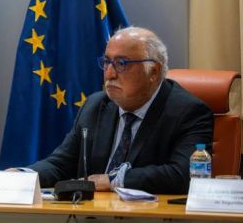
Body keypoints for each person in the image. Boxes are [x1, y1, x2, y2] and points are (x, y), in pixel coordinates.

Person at [24, 27, 213, 194]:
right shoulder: (96, 105)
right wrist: (21, 176)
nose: (109, 74)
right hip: (93, 213)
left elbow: (183, 175)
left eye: (121, 64)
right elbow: (60, 164)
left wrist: (113, 180)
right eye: (107, 62)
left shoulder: (188, 112)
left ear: (154, 72)